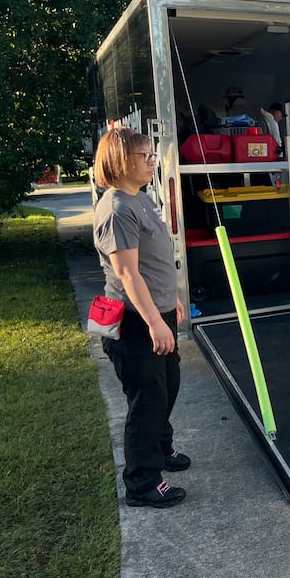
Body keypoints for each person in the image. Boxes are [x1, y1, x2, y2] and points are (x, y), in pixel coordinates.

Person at [92, 127, 189, 509]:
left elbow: (155, 260)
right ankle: (143, 483)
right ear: (120, 161)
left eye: (151, 155)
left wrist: (172, 300)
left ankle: (160, 451)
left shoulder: (141, 198)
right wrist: (153, 322)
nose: (152, 161)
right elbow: (127, 274)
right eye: (145, 156)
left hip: (157, 311)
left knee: (167, 386)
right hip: (135, 323)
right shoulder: (116, 209)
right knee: (146, 400)